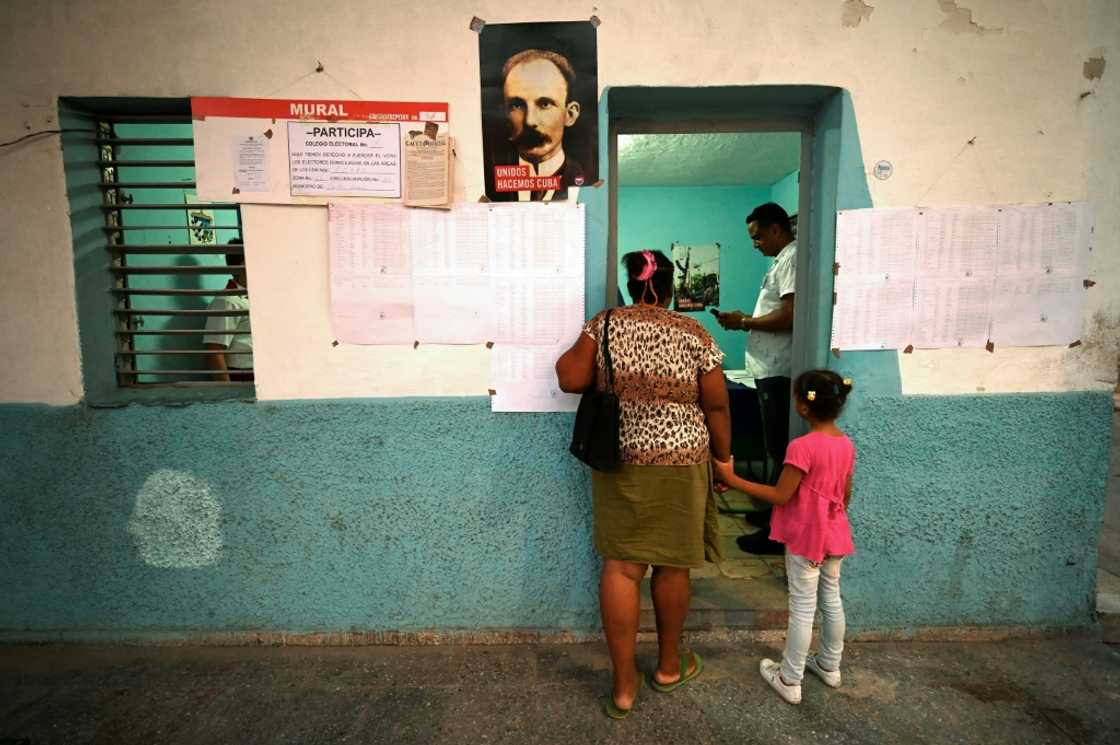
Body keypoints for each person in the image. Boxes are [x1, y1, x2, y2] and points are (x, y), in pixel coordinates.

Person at [555, 249, 731, 719]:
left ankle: (623, 687)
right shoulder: (694, 332)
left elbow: (570, 379)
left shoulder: (606, 323)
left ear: (631, 284)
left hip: (623, 458)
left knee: (623, 568)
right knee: (673, 566)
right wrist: (725, 460)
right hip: (683, 459)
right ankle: (670, 667)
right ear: (671, 288)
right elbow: (716, 406)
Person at [712, 370, 855, 705]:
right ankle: (830, 666)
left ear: (803, 407)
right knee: (831, 599)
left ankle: (790, 678)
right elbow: (845, 496)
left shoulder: (802, 447)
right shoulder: (845, 444)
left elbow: (780, 495)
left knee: (803, 606)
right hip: (835, 534)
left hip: (807, 537)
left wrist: (732, 479)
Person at [715, 202, 797, 552]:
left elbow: (791, 315)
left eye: (758, 237)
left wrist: (745, 322)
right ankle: (772, 517)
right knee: (773, 448)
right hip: (767, 370)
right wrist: (744, 319)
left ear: (777, 229)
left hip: (780, 371)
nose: (755, 244)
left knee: (781, 452)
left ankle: (778, 534)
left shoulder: (792, 259)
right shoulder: (780, 262)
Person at [487, 48, 585, 202]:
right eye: (517, 106)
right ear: (505, 114)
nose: (529, 121)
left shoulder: (587, 181)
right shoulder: (489, 183)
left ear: (570, 114)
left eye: (544, 104)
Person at [203, 238, 253, 382]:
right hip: (242, 378)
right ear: (244, 265)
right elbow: (214, 352)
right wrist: (228, 392)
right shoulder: (226, 301)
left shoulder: (254, 296)